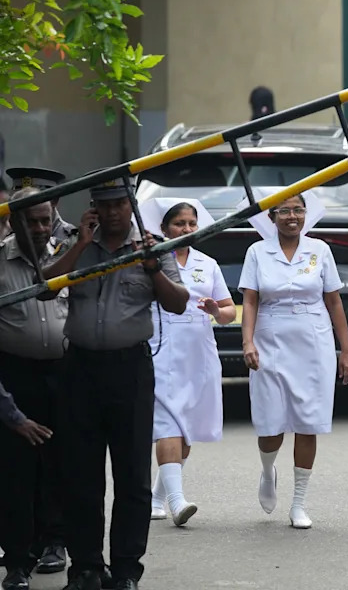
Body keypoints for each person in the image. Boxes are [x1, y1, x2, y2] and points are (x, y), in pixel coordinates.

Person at [44, 174, 189, 590]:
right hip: (80, 369)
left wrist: (151, 268)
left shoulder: (152, 247)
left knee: (132, 477)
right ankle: (86, 567)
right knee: (80, 475)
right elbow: (44, 287)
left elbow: (178, 303)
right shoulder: (76, 243)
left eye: (118, 204)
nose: (111, 213)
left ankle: (125, 570)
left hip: (129, 371)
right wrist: (80, 246)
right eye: (103, 205)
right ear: (93, 206)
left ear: (131, 205)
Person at [238, 190, 348, 530]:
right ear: (271, 216)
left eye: (298, 210)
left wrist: (346, 350)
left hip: (313, 338)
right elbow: (250, 301)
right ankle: (267, 471)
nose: (292, 217)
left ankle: (299, 502)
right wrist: (247, 342)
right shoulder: (257, 251)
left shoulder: (320, 250)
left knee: (308, 421)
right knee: (270, 423)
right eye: (285, 211)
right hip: (270, 338)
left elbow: (334, 301)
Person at [138, 198, 235, 527]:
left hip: (199, 350)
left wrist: (216, 311)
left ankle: (156, 498)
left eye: (192, 223)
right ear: (163, 228)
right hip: (163, 344)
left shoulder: (207, 263)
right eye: (179, 223)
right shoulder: (149, 261)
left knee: (187, 430)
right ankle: (177, 502)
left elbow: (229, 311)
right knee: (169, 423)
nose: (187, 229)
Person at [4, 168, 76, 576]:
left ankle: (54, 540)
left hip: (63, 371)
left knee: (59, 462)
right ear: (13, 221)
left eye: (45, 220)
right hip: (16, 372)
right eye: (30, 221)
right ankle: (19, 553)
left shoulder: (69, 252)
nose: (40, 228)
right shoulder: (1, 260)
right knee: (16, 467)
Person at [6, 167, 78, 244]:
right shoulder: (7, 239)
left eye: (34, 203)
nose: (27, 209)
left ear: (54, 201)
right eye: (20, 204)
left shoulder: (72, 240)